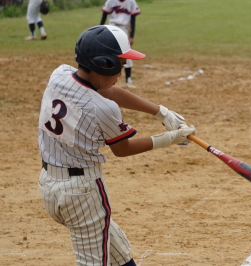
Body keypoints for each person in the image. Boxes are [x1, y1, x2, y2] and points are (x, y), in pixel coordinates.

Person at [37, 25, 196, 266]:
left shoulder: (59, 75)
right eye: (121, 64)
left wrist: (161, 112)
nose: (123, 70)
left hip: (49, 185)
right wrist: (171, 139)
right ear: (105, 64)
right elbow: (123, 149)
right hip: (83, 193)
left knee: (118, 253)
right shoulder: (102, 109)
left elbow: (108, 91)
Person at [100, 0, 141, 88]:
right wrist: (99, 30)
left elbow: (133, 19)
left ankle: (128, 79)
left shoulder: (131, 2)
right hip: (111, 27)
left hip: (124, 29)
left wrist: (131, 36)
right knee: (107, 52)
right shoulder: (111, 1)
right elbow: (104, 15)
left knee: (126, 53)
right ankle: (104, 76)